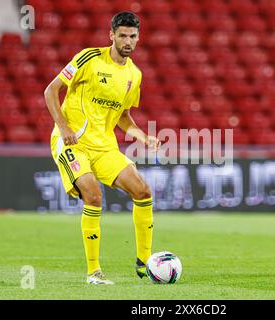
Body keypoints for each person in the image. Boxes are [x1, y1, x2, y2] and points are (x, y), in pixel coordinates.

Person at [44, 11, 160, 284]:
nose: (128, 41)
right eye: (122, 35)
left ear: (138, 37)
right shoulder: (88, 59)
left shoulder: (134, 75)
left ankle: (145, 263)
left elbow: (123, 116)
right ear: (112, 35)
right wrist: (63, 126)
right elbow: (50, 91)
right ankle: (93, 272)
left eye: (132, 36)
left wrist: (143, 137)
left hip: (105, 146)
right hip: (73, 143)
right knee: (93, 195)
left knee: (143, 191)